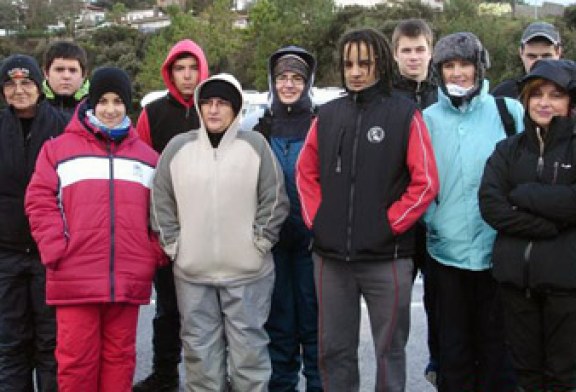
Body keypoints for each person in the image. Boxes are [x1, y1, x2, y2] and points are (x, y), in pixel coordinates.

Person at [296, 27, 439, 392]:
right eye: (348, 64)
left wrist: (389, 225)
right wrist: (320, 222)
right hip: (330, 260)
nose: (355, 71)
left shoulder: (405, 114)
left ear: (380, 64)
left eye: (365, 63)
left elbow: (425, 183)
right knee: (333, 350)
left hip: (387, 257)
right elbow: (305, 174)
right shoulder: (326, 115)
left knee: (389, 350)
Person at [25, 67, 165, 392]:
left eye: (118, 101)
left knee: (120, 361)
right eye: (102, 100)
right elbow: (39, 200)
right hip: (75, 276)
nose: (111, 108)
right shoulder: (58, 149)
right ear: (90, 103)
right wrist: (55, 248)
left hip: (128, 279)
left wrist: (151, 254)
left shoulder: (147, 158)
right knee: (76, 364)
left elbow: (163, 212)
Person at [150, 73, 289, 391]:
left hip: (248, 274)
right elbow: (160, 200)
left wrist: (259, 244)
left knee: (249, 357)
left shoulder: (255, 146)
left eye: (222, 103)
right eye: (207, 102)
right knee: (200, 357)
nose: (213, 109)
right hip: (193, 275)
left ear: (236, 108)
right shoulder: (178, 148)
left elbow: (275, 198)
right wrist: (175, 246)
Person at [422, 32, 524, 392]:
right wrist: (432, 221)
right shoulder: (427, 118)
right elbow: (418, 181)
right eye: (449, 65)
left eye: (465, 64)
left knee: (499, 353)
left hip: (498, 252)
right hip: (446, 255)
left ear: (479, 68)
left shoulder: (508, 112)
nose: (458, 73)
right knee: (454, 355)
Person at [479, 58, 576, 391]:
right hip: (515, 284)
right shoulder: (507, 150)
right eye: (537, 95)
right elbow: (492, 206)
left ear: (570, 102)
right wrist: (550, 226)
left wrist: (524, 194)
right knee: (526, 375)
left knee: (563, 377)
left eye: (556, 95)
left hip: (567, 286)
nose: (545, 103)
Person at [133, 38, 209, 392]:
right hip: (167, 232)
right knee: (168, 312)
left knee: (209, 313)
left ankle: (209, 377)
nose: (188, 75)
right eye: (180, 69)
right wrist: (154, 232)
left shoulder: (215, 107)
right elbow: (142, 175)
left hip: (210, 231)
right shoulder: (153, 114)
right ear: (170, 73)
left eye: (193, 68)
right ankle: (165, 376)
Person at [253, 46, 322, 391]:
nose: (289, 84)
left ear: (308, 83)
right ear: (273, 81)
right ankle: (282, 385)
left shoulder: (320, 123)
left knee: (314, 323)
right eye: (283, 77)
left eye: (297, 78)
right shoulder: (260, 128)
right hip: (273, 246)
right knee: (278, 324)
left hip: (313, 243)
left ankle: (317, 384)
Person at [0, 54, 67, 392]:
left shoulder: (62, 125)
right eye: (10, 84)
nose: (19, 90)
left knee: (50, 342)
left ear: (40, 87)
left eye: (26, 83)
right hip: (6, 254)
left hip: (49, 253)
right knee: (10, 342)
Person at [391, 18, 439, 387]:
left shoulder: (446, 96)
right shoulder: (386, 99)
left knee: (443, 314)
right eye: (406, 50)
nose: (413, 57)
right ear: (395, 54)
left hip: (441, 224)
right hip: (400, 223)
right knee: (393, 320)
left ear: (431, 51)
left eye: (419, 49)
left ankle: (440, 372)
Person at [491, 21, 561, 98]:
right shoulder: (504, 94)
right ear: (521, 53)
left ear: (558, 52)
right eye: (532, 56)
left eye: (546, 56)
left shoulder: (571, 92)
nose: (539, 63)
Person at [42, 40, 90, 119]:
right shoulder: (33, 106)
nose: (66, 76)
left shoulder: (96, 107)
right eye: (59, 70)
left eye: (73, 70)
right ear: (46, 73)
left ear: (83, 75)